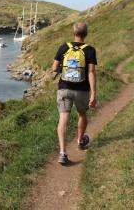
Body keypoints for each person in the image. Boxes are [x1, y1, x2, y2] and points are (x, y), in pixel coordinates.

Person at [52, 22, 97, 165]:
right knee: (82, 114)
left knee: (63, 118)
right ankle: (80, 141)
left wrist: (61, 70)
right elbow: (91, 72)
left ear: (74, 33)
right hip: (82, 90)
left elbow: (54, 68)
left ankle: (63, 153)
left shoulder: (64, 47)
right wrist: (93, 93)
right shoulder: (90, 50)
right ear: (86, 34)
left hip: (64, 88)